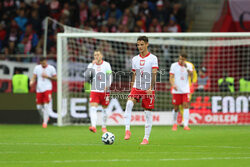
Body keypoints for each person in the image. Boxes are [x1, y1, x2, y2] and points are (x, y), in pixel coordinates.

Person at [124, 36, 158, 145]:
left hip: (148, 89)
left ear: (147, 44)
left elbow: (154, 73)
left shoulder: (153, 58)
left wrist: (151, 88)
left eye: (142, 44)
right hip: (137, 87)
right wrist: (131, 87)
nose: (140, 47)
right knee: (129, 104)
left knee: (147, 113)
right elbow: (134, 74)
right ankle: (127, 130)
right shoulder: (135, 59)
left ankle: (146, 138)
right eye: (138, 45)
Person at [85, 50, 112, 133]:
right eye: (95, 55)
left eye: (98, 55)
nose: (96, 56)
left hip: (105, 90)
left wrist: (107, 85)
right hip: (94, 90)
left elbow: (109, 77)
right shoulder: (91, 65)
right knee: (93, 108)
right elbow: (86, 76)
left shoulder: (106, 64)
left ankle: (104, 126)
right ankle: (93, 126)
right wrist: (92, 65)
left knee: (104, 110)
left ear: (102, 56)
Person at [30, 57, 57, 128]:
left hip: (47, 88)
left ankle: (45, 123)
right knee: (38, 107)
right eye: (41, 63)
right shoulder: (37, 68)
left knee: (46, 105)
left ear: (46, 61)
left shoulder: (51, 68)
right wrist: (32, 81)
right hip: (39, 89)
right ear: (40, 62)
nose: (43, 64)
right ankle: (46, 116)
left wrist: (47, 77)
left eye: (44, 62)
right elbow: (34, 76)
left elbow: (56, 78)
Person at [170, 52, 193, 131]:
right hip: (176, 90)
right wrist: (173, 85)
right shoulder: (174, 65)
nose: (180, 60)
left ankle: (186, 125)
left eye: (182, 59)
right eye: (179, 59)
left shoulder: (189, 65)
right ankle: (174, 124)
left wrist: (187, 68)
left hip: (185, 90)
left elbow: (192, 76)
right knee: (176, 108)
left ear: (185, 59)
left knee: (186, 106)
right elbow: (171, 77)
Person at [179, 60, 197, 126]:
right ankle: (184, 120)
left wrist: (193, 84)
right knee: (180, 105)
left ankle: (184, 121)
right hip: (179, 88)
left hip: (188, 87)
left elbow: (195, 75)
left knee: (185, 103)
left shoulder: (190, 65)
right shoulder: (176, 65)